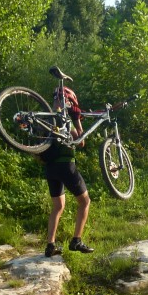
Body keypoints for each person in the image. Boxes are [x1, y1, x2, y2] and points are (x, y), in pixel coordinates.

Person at [42, 86, 94, 257]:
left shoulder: (47, 118)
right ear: (69, 101)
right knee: (85, 202)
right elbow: (80, 141)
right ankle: (76, 240)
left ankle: (50, 245)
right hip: (66, 166)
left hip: (50, 167)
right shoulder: (64, 118)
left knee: (58, 206)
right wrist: (76, 118)